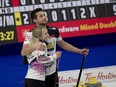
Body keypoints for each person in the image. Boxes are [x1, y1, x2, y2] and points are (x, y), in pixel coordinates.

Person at [21, 8, 89, 87]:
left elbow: (63, 44)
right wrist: (34, 46)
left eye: (44, 15)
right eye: (41, 16)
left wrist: (79, 51)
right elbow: (23, 52)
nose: (44, 17)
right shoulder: (31, 34)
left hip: (52, 72)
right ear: (35, 20)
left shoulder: (54, 31)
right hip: (38, 75)